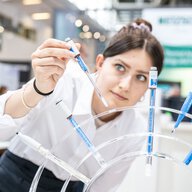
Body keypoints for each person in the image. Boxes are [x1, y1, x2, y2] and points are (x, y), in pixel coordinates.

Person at [0, 18, 164, 192]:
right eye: (120, 67)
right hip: (13, 179)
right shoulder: (62, 80)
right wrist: (37, 90)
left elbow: (102, 187)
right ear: (100, 63)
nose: (125, 85)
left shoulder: (135, 129)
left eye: (141, 77)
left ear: (150, 86)